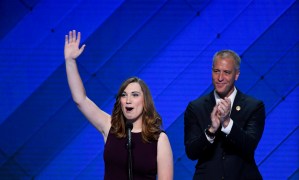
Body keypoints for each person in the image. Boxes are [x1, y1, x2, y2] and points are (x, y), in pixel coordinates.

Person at [64, 30, 173, 180]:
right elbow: (80, 99)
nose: (128, 100)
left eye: (135, 95)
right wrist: (70, 61)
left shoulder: (159, 139)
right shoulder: (110, 127)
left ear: (145, 102)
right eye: (124, 95)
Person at [184, 49, 265, 180]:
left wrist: (227, 123)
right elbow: (191, 152)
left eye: (226, 72)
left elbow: (249, 146)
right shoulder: (196, 107)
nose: (220, 78)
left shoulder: (253, 106)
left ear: (237, 75)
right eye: (216, 71)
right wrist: (211, 130)